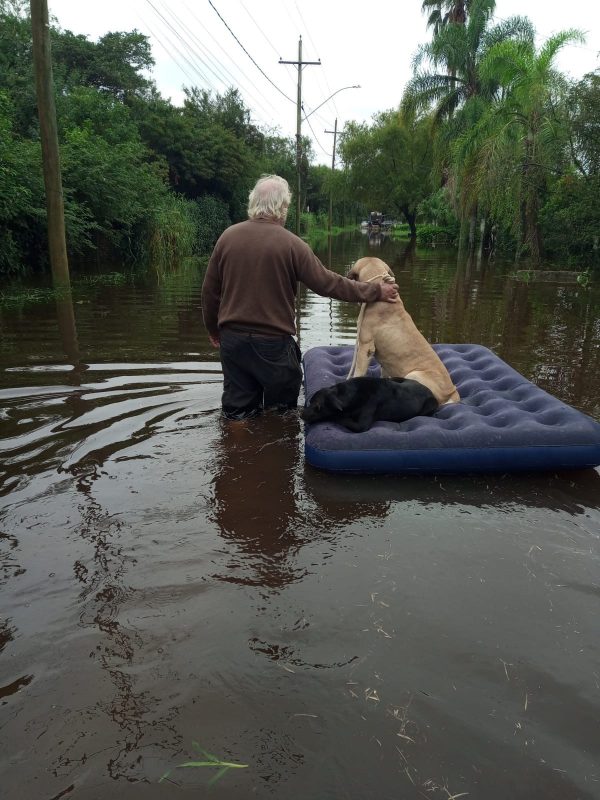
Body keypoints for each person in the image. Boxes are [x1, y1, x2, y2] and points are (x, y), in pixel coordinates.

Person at [201, 174, 399, 420]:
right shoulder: (293, 245)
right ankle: (278, 454)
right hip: (272, 346)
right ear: (282, 208)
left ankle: (235, 452)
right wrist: (376, 291)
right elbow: (328, 284)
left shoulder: (226, 238)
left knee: (237, 415)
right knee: (282, 415)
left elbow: (209, 293)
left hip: (233, 343)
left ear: (253, 204)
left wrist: (213, 330)